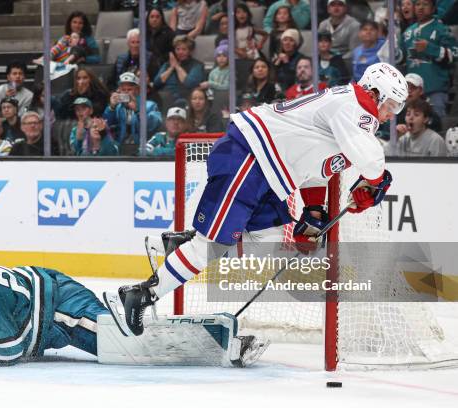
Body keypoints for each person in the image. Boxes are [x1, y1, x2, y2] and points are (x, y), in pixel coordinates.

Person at [108, 62, 407, 337]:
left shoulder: (352, 114)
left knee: (269, 242)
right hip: (249, 157)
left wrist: (314, 209)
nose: (392, 114)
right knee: (209, 249)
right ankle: (141, 295)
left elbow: (317, 166)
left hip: (268, 171)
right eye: (391, 104)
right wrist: (378, 181)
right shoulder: (354, 106)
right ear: (374, 92)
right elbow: (372, 164)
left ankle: (179, 243)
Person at [0, 231, 109, 366]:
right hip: (54, 292)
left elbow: (7, 351)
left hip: (63, 311)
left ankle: (136, 303)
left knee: (125, 343)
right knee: (123, 336)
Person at [400, 0, 458, 119]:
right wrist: (393, 50)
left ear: (432, 8)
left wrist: (430, 48)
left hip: (434, 90)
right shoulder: (408, 32)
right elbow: (401, 59)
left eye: (425, 4)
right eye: (418, 4)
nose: (421, 8)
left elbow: (455, 54)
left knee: (436, 125)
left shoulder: (441, 29)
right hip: (412, 93)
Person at [104, 72, 162, 152]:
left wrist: (137, 110)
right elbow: (106, 126)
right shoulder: (117, 108)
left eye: (129, 89)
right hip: (121, 148)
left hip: (143, 149)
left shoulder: (150, 105)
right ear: (119, 91)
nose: (126, 92)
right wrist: (111, 107)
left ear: (137, 90)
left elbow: (151, 126)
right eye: (123, 90)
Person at [153, 36, 205, 102]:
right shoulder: (167, 64)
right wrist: (171, 68)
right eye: (178, 49)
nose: (180, 52)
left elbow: (189, 83)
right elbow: (156, 83)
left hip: (184, 98)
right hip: (164, 96)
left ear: (190, 51)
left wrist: (177, 67)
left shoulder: (197, 65)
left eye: (184, 49)